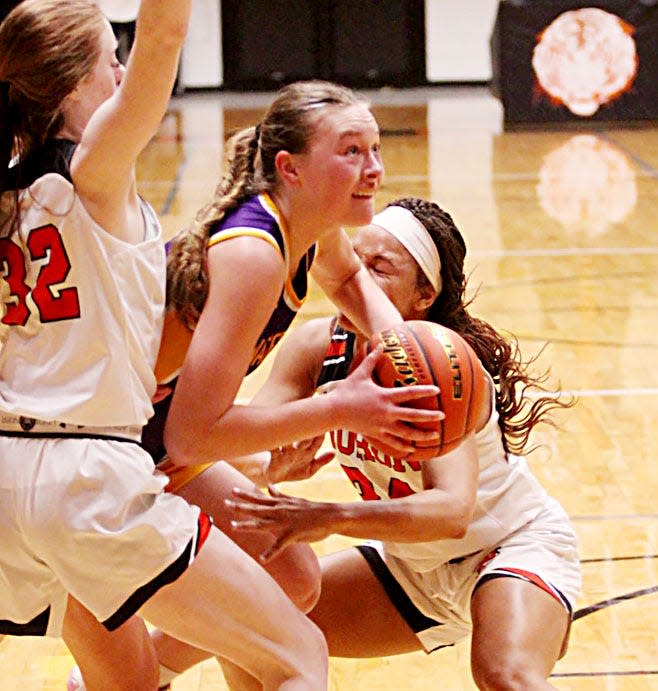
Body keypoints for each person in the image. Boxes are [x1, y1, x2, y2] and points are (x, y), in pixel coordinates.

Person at [65, 81, 444, 689]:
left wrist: (403, 349)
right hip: (89, 458)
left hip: (145, 439)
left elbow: (348, 281)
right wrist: (339, 409)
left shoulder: (310, 225)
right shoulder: (254, 255)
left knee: (290, 574)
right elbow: (195, 435)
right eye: (351, 151)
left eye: (375, 149)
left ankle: (148, 671)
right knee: (278, 654)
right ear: (290, 169)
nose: (372, 168)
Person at [0, 2, 329, 690]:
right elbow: (165, 36)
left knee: (128, 681)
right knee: (298, 655)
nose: (122, 72)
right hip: (85, 469)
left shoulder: (10, 194)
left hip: (7, 474)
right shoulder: (91, 174)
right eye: (107, 61)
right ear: (70, 83)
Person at [224, 197, 583, 690]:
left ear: (423, 295)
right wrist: (271, 469)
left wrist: (328, 517)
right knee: (246, 627)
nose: (356, 282)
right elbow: (238, 454)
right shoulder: (316, 347)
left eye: (380, 270)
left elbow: (452, 511)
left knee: (505, 674)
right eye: (354, 263)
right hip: (410, 568)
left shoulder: (440, 363)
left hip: (506, 547)